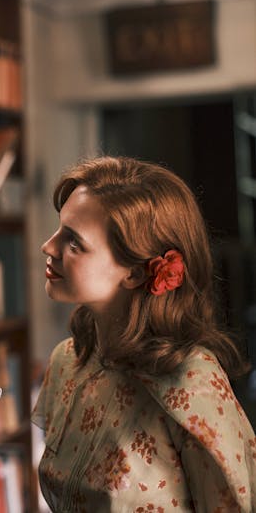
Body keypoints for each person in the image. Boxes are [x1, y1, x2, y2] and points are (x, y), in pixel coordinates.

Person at [33, 156, 256, 512]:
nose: (49, 246)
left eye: (74, 243)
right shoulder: (67, 361)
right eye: (59, 229)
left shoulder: (192, 380)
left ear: (136, 273)